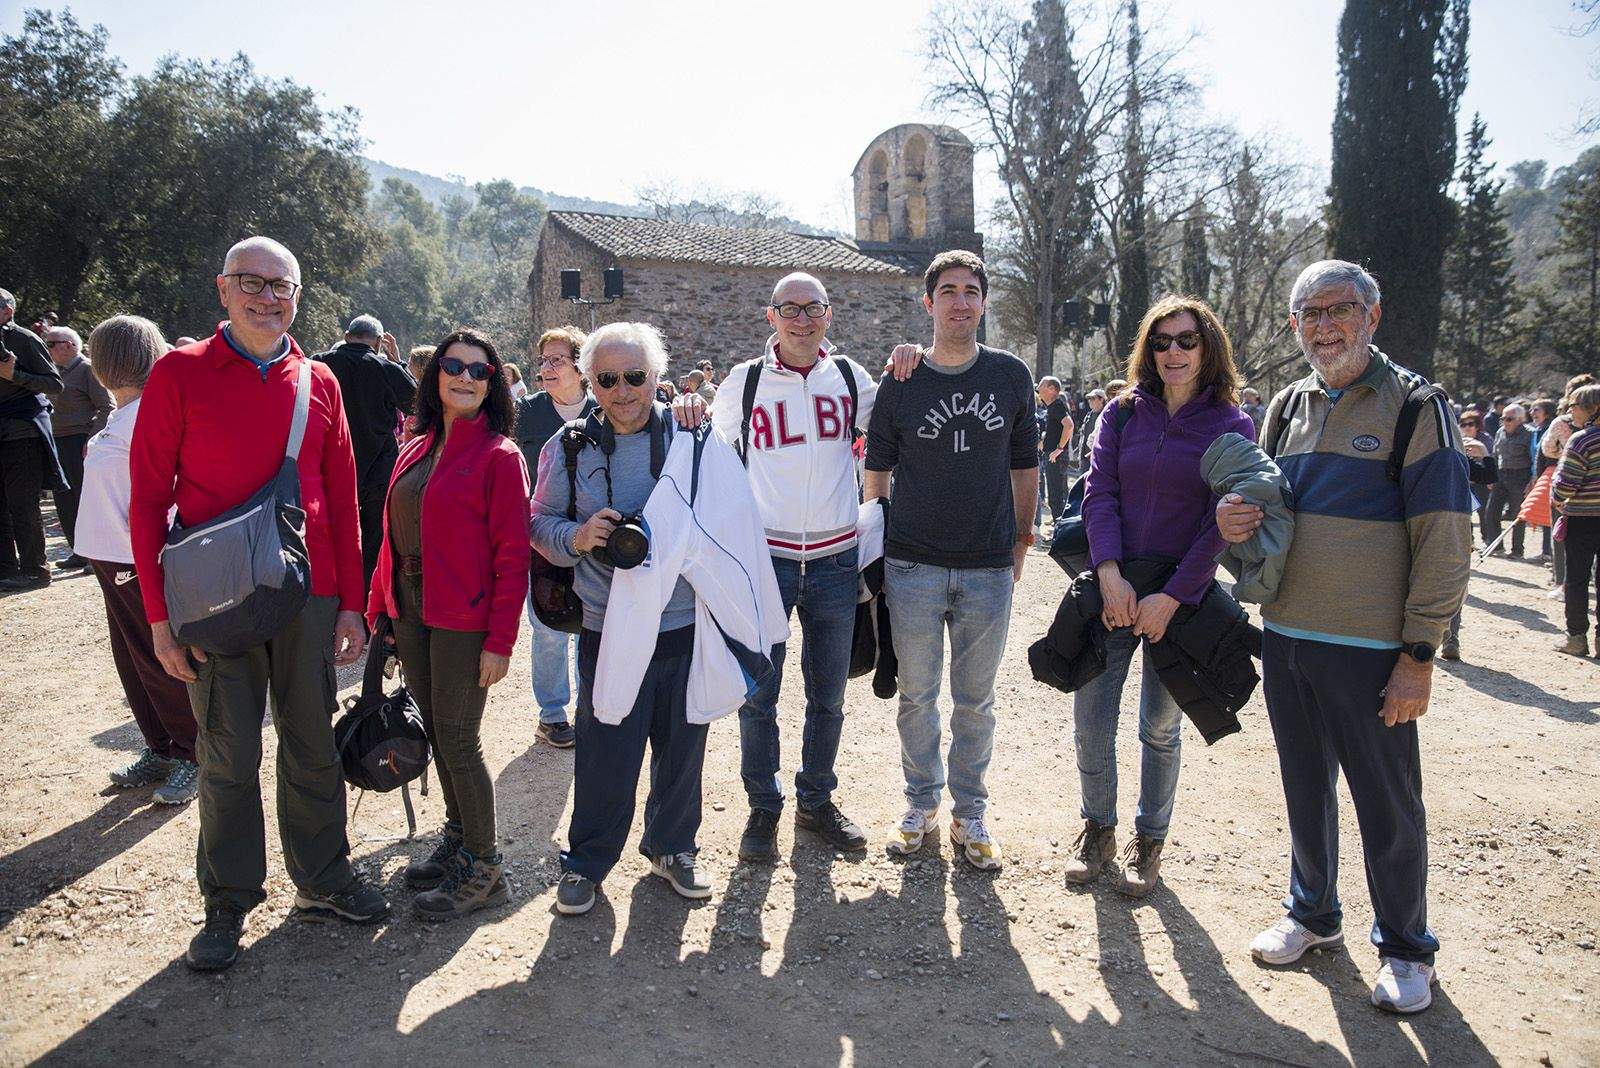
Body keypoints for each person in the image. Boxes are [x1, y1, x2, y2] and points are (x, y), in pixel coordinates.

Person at [1217, 259, 1470, 1014]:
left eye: (1340, 310)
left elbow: (1444, 536)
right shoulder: (1287, 405)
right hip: (1287, 636)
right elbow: (1267, 509)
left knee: (1387, 803)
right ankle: (1313, 913)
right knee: (1305, 788)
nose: (1325, 327)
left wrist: (1419, 654)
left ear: (1373, 315)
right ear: (1295, 327)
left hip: (1371, 650)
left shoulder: (1417, 406)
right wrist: (1233, 521)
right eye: (1311, 314)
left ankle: (1406, 949)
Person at [129, 236, 387, 972]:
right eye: (252, 282)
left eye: (282, 286)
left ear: (297, 297)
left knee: (312, 746)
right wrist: (160, 621)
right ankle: (229, 898)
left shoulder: (320, 381)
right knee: (227, 753)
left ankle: (324, 878)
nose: (267, 297)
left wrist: (350, 605)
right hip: (214, 602)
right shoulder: (178, 374)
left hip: (309, 597)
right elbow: (146, 502)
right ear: (223, 288)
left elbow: (343, 498)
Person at [1067, 296, 1256, 897]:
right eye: (1161, 341)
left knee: (1159, 726)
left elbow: (1218, 525)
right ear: (1147, 350)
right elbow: (1099, 494)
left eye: (1186, 340)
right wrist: (1109, 574)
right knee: (1092, 719)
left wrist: (1172, 598)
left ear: (1208, 348)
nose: (1173, 351)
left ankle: (1149, 841)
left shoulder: (1231, 425)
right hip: (1116, 587)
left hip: (1182, 596)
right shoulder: (1122, 414)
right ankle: (1097, 829)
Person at [531, 322, 714, 915]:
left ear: (657, 377)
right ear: (590, 381)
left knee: (682, 748)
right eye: (607, 379)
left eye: (635, 376)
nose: (623, 390)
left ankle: (672, 848)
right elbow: (538, 524)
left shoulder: (691, 435)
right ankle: (587, 861)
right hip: (606, 625)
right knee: (605, 748)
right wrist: (580, 536)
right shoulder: (568, 446)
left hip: (682, 621)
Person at [865, 250, 1039, 871]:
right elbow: (877, 469)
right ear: (929, 302)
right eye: (948, 291)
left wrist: (1021, 541)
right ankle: (920, 803)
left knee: (976, 700)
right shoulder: (902, 379)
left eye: (971, 290)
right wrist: (876, 543)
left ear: (984, 302)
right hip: (912, 563)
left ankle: (971, 811)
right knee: (917, 695)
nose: (960, 301)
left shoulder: (1010, 374)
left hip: (987, 565)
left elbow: (1025, 464)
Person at [700, 271, 878, 860]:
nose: (802, 319)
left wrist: (911, 360)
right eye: (790, 309)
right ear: (770, 316)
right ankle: (763, 806)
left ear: (829, 314)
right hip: (766, 560)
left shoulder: (850, 378)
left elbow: (896, 426)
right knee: (760, 694)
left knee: (828, 693)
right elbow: (707, 452)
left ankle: (816, 799)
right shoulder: (745, 381)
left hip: (835, 559)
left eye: (813, 308)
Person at [368, 328, 530, 919]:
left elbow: (513, 557)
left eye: (479, 371)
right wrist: (383, 606)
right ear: (435, 374)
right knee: (437, 732)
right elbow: (390, 534)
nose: (465, 377)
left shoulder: (500, 456)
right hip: (413, 611)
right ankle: (460, 841)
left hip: (465, 618)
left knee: (460, 739)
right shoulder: (417, 445)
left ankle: (486, 870)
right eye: (454, 366)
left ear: (492, 385)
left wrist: (500, 641)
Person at [75, 315, 198, 804]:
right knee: (131, 658)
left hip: (135, 556)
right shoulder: (120, 413)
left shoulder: (152, 412)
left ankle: (192, 753)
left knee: (157, 657)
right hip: (108, 556)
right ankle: (161, 746)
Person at [513, 325, 596, 748]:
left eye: (557, 360)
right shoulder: (525, 412)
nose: (546, 367)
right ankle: (552, 714)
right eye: (543, 360)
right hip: (541, 536)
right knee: (548, 626)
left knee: (591, 625)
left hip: (594, 537)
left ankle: (589, 709)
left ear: (580, 367)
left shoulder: (603, 409)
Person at [312, 314, 416, 589]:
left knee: (331, 531)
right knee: (374, 536)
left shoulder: (320, 363)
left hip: (331, 464)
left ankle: (331, 591)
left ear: (347, 337)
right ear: (379, 342)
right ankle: (367, 596)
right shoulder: (386, 368)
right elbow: (416, 403)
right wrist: (398, 362)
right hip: (378, 467)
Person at [0, 288, 66, 592]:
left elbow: (54, 384)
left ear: (7, 312)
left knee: (22, 504)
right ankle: (5, 569)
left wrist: (14, 375)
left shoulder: (24, 339)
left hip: (21, 432)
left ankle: (35, 571)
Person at [43, 325, 114, 572]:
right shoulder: (54, 371)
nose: (48, 348)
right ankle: (79, 551)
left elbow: (107, 406)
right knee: (64, 499)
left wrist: (92, 439)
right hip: (57, 440)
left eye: (51, 344)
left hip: (80, 441)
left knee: (87, 500)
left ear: (69, 345)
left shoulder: (88, 369)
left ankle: (97, 557)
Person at [1552, 383, 1600, 656]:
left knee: (1577, 580)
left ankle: (1576, 638)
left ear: (1593, 409)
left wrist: (1557, 497)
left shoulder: (1582, 440)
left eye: (1574, 406)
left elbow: (1565, 485)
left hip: (1582, 519)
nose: (1570, 411)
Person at [1484, 402, 1533, 558]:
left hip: (1520, 477)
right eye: (1503, 418)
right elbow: (1494, 455)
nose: (1505, 421)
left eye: (1509, 419)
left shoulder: (1529, 434)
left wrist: (1532, 481)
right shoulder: (1500, 432)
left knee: (1517, 515)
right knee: (1491, 512)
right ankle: (1496, 547)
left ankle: (1517, 550)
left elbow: (1534, 458)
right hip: (1500, 475)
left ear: (1520, 419)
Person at [1037, 376, 1075, 522]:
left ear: (1052, 389)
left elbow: (1069, 425)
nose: (1038, 388)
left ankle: (1060, 528)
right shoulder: (1052, 407)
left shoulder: (1057, 405)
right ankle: (1059, 526)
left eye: (1041, 385)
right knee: (1055, 495)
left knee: (1056, 496)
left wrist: (1059, 448)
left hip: (1056, 458)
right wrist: (1044, 442)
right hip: (1052, 456)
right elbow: (1056, 430)